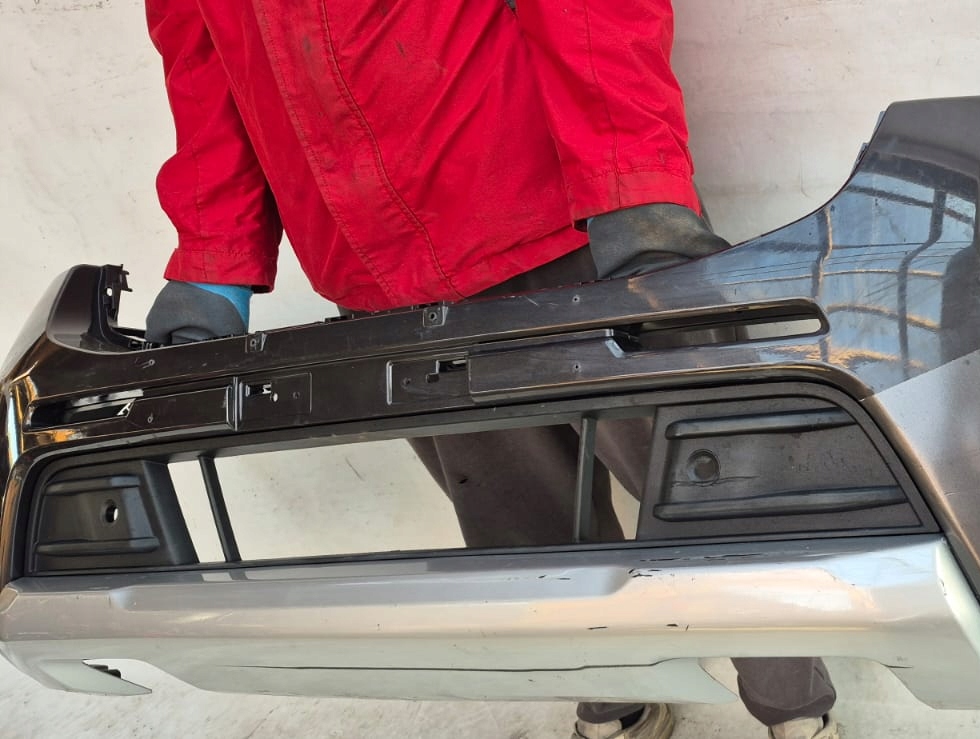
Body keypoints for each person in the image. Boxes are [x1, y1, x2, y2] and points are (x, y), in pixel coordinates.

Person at [139, 2, 839, 738]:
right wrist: (212, 261)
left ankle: (792, 705)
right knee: (520, 529)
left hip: (565, 224)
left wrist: (633, 183)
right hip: (388, 282)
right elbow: (205, 73)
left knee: (710, 489)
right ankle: (613, 694)